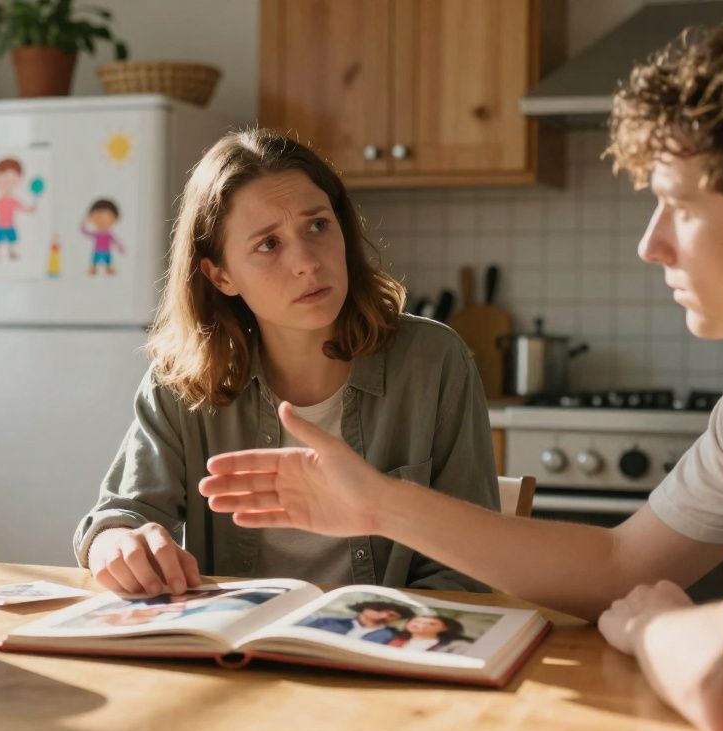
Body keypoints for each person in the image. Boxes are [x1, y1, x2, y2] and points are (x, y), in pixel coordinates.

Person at [198, 11, 723, 731]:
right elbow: (622, 567)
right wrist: (374, 503)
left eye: (679, 206)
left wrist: (655, 625)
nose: (651, 244)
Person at [73, 129, 500, 597]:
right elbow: (119, 516)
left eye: (317, 225)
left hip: (391, 652)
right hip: (236, 660)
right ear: (221, 275)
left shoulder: (434, 362)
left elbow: (469, 568)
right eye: (269, 245)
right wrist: (115, 545)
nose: (306, 263)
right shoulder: (182, 380)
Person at [0, 158, 37, 261]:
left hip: (10, 225)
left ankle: (11, 253)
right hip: (0, 225)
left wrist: (31, 209)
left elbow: (23, 208)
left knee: (12, 240)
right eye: (3, 179)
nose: (8, 184)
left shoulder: (14, 201)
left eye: (13, 180)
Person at [298, 601, 415, 644]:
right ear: (364, 608)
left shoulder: (394, 636)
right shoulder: (327, 621)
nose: (384, 616)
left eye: (391, 615)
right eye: (378, 610)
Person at [385, 614, 472, 655]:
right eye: (416, 621)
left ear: (444, 628)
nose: (420, 625)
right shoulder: (395, 641)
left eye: (431, 623)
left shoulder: (455, 646)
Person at [82, 198, 125, 276]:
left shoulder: (109, 234)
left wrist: (120, 247)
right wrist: (83, 225)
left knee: (108, 261)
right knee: (95, 261)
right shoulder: (96, 233)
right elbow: (86, 232)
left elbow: (115, 241)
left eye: (107, 217)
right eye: (98, 217)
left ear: (114, 219)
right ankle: (93, 269)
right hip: (97, 251)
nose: (102, 221)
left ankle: (109, 269)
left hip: (106, 251)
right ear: (92, 218)